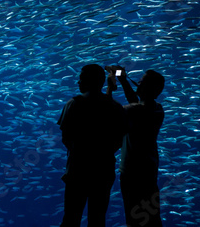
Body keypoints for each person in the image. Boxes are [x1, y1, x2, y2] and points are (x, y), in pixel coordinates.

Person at [57, 64, 125, 227]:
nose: (78, 82)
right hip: (103, 170)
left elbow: (66, 137)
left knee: (71, 218)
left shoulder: (74, 103)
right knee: (97, 219)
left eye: (81, 79)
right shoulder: (115, 107)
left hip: (77, 170)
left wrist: (79, 151)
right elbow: (119, 138)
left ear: (88, 81)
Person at [107, 67, 165, 227]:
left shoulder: (136, 110)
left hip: (132, 172)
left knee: (134, 217)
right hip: (149, 170)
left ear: (149, 87)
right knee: (151, 216)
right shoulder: (158, 109)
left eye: (142, 82)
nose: (138, 83)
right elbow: (136, 102)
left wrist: (109, 88)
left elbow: (108, 110)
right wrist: (123, 79)